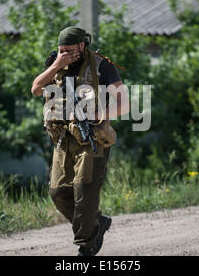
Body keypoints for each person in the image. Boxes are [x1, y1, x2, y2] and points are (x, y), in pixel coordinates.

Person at [31, 26, 129, 256]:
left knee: (84, 191)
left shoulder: (102, 66)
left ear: (82, 46)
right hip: (64, 138)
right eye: (61, 49)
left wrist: (97, 114)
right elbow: (36, 89)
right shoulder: (56, 63)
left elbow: (124, 103)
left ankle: (86, 247)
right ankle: (97, 223)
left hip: (91, 137)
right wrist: (57, 64)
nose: (64, 54)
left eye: (69, 50)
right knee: (57, 192)